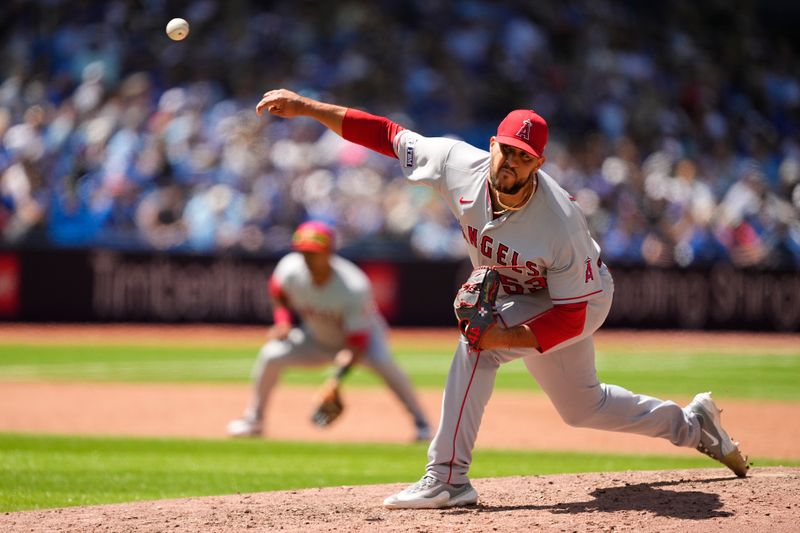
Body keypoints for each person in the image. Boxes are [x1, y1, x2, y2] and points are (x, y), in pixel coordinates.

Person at [254, 89, 749, 509]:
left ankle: (448, 478)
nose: (511, 163)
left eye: (523, 157)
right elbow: (386, 134)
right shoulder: (455, 163)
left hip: (576, 301)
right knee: (583, 407)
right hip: (519, 289)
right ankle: (693, 425)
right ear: (492, 144)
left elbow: (573, 312)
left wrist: (505, 335)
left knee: (478, 346)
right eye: (506, 150)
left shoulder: (559, 223)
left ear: (539, 163)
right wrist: (306, 106)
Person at [227, 220, 432, 442]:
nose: (308, 259)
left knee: (385, 365)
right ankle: (254, 420)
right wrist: (283, 321)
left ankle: (421, 423)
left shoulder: (353, 286)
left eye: (313, 253)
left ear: (329, 252)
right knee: (271, 354)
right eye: (304, 253)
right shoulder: (290, 268)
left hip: (363, 342)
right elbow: (277, 290)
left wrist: (336, 379)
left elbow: (357, 342)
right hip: (317, 340)